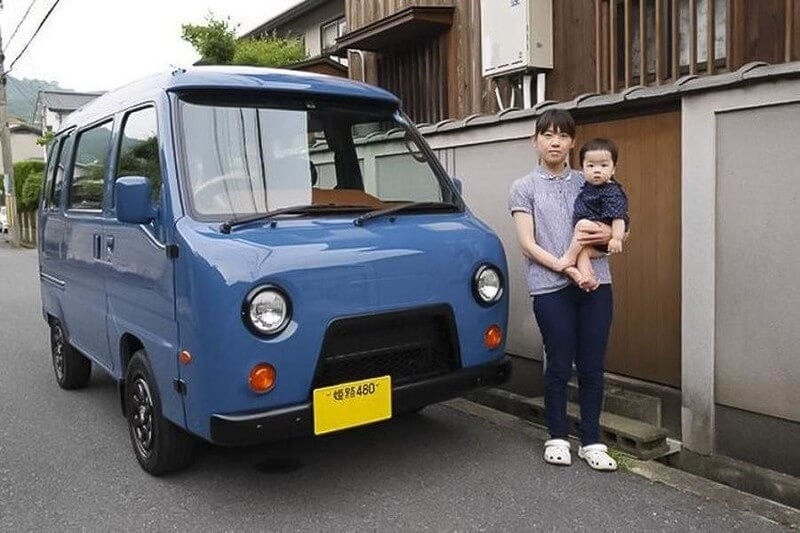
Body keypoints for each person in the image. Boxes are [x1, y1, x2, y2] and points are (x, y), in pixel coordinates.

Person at [507, 109, 619, 471]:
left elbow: (618, 227)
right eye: (547, 135)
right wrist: (565, 266)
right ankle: (556, 434)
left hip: (595, 283)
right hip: (549, 285)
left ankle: (592, 440)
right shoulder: (524, 187)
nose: (555, 142)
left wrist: (614, 236)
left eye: (563, 136)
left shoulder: (588, 179)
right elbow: (527, 243)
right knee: (558, 362)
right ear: (535, 141)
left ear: (573, 141)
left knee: (592, 365)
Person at [553, 138, 630, 290]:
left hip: (602, 234)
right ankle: (587, 279)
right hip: (592, 240)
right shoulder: (588, 186)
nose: (597, 170)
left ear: (613, 169)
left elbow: (619, 216)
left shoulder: (612, 191)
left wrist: (616, 238)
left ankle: (569, 257)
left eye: (603, 165)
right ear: (582, 169)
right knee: (584, 254)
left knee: (582, 225)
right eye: (591, 165)